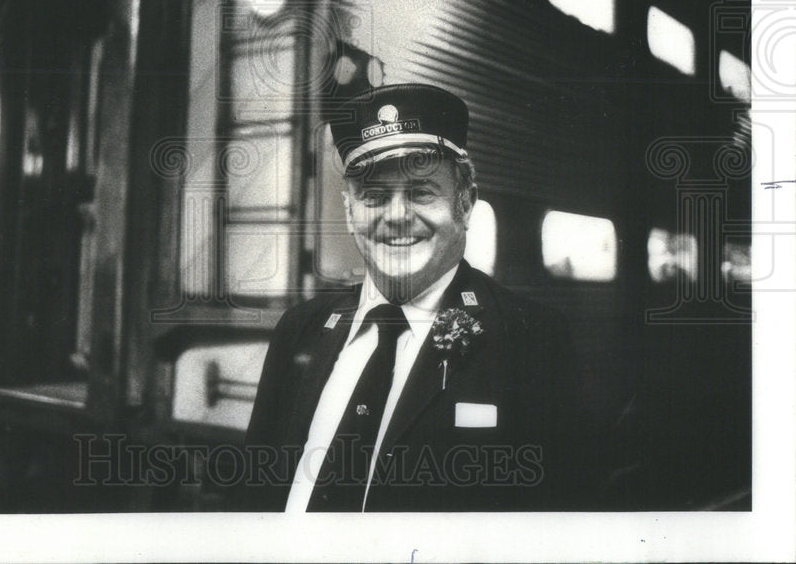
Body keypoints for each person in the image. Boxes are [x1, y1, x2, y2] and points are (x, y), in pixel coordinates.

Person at [243, 83, 583, 512]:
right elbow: (251, 498)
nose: (397, 216)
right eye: (375, 196)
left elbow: (559, 523)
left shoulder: (533, 341)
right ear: (350, 213)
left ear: (465, 204)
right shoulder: (301, 328)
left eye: (422, 192)